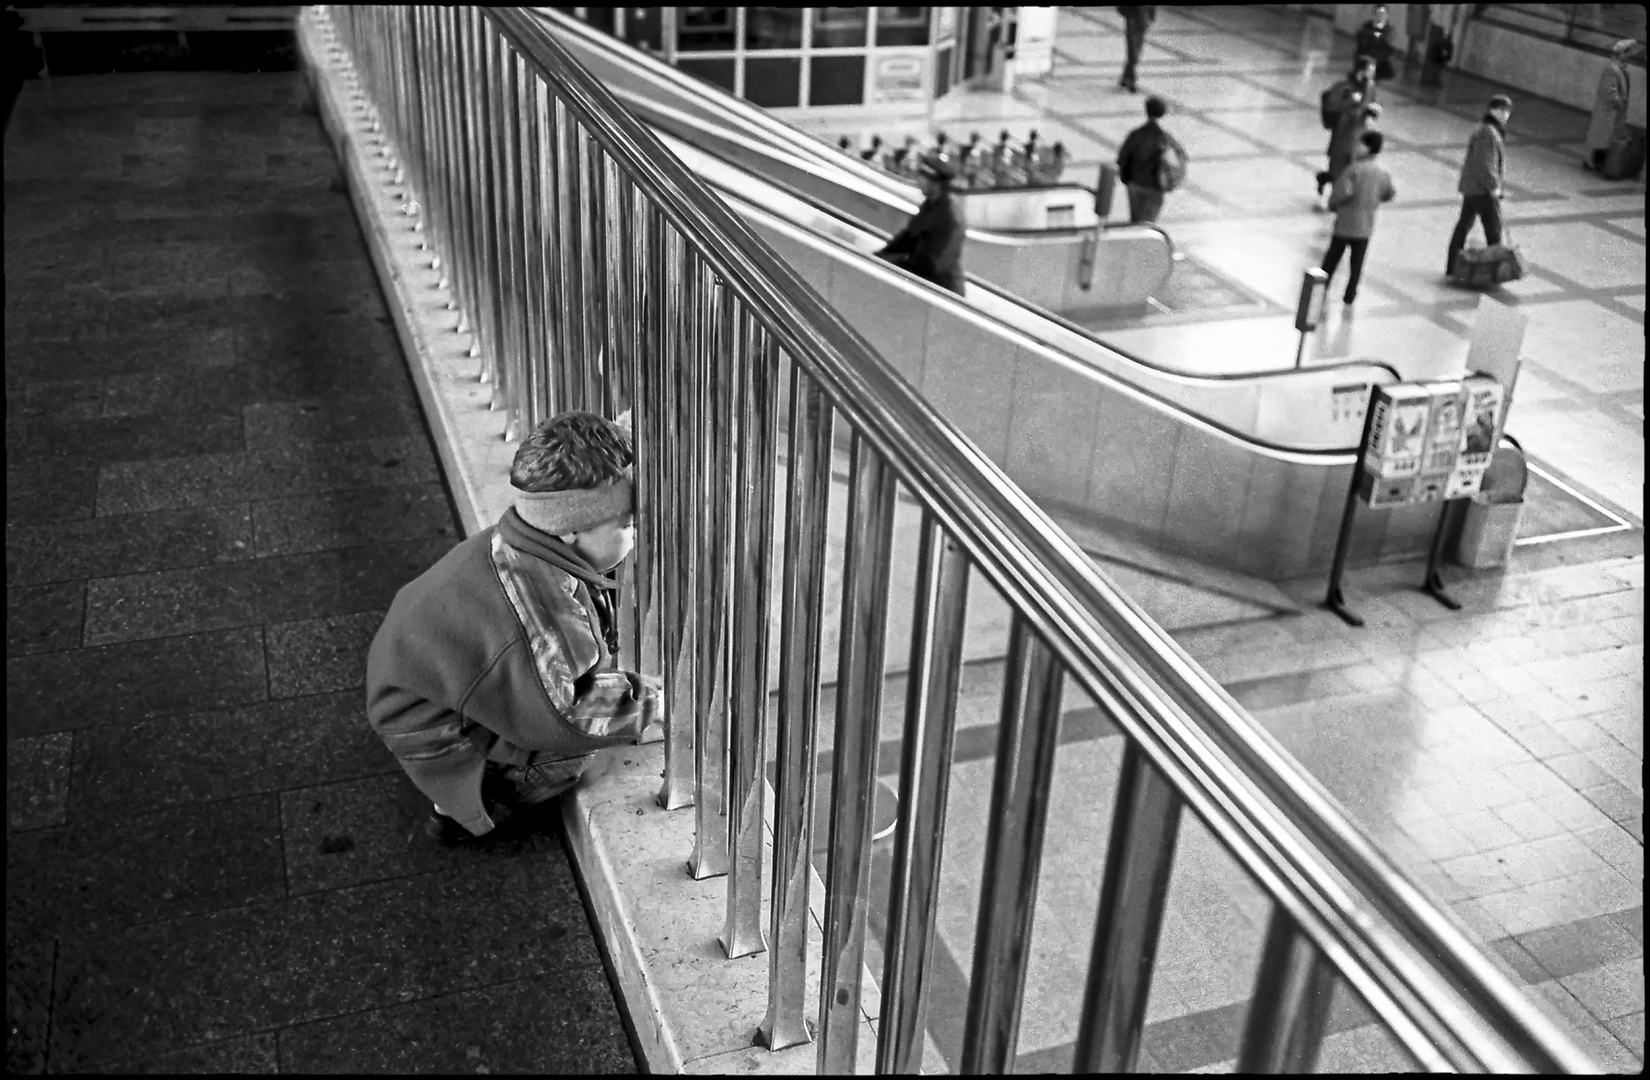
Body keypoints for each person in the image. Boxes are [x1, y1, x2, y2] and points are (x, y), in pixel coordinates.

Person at [365, 410, 662, 843]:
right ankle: (471, 802)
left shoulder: (519, 541)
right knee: (576, 754)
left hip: (419, 696)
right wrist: (653, 702)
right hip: (434, 732)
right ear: (571, 530)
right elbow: (568, 715)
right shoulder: (539, 606)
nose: (634, 536)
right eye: (626, 526)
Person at [1320, 130, 1397, 306]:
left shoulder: (1353, 170)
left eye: (1360, 144)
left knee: (1332, 257)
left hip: (1346, 223)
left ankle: (1322, 287)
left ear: (1367, 148)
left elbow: (1343, 192)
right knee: (1357, 262)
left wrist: (1333, 204)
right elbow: (1389, 193)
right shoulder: (1381, 173)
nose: (1356, 147)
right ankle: (1350, 293)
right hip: (1365, 226)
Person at [875, 155, 966, 294]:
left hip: (944, 291)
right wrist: (880, 255)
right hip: (926, 283)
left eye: (923, 178)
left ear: (936, 184)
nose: (918, 181)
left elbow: (934, 264)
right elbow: (909, 237)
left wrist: (898, 259)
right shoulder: (930, 205)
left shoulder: (950, 217)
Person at [1447, 94, 1512, 276]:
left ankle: (1452, 265)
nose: (1506, 115)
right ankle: (1496, 271)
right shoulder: (1488, 132)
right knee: (1493, 231)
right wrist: (1494, 187)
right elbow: (1487, 163)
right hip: (1482, 190)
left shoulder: (1486, 130)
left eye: (1507, 112)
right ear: (1494, 110)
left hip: (1473, 187)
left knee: (1464, 225)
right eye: (1503, 111)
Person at [1317, 56, 1381, 203]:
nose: (1372, 74)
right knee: (1338, 165)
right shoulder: (1343, 86)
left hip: (1360, 131)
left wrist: (1373, 110)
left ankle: (1342, 193)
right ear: (1360, 70)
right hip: (1343, 132)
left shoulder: (1371, 87)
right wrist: (1350, 100)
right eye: (1370, 71)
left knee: (1353, 165)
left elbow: (1371, 103)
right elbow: (1331, 106)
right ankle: (1334, 192)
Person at [1115, 95, 1187, 224]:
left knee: (1135, 221)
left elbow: (1122, 159)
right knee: (1148, 223)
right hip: (1155, 186)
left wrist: (1125, 178)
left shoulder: (1136, 134)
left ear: (1146, 111)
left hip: (1135, 184)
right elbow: (1181, 156)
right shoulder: (1165, 138)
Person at [1585, 39, 1639, 172]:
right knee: (1602, 138)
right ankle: (1594, 162)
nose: (1629, 56)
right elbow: (1609, 91)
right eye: (1627, 53)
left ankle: (1599, 162)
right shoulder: (1611, 70)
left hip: (1614, 112)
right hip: (1608, 111)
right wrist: (1618, 101)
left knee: (1607, 139)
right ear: (1620, 54)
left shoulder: (1620, 70)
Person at [1117, 6, 1156, 93]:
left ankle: (1126, 78)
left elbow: (1152, 8)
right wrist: (1130, 17)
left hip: (1142, 24)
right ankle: (1131, 80)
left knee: (1136, 52)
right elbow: (1121, 8)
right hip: (1133, 24)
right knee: (1133, 53)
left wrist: (1150, 18)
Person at [1356, 5, 1397, 81]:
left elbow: (1387, 48)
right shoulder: (1366, 27)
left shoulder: (1389, 30)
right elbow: (1361, 42)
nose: (1379, 17)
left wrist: (1374, 59)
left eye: (1382, 14)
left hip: (1380, 63)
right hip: (1364, 59)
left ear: (1387, 16)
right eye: (1376, 14)